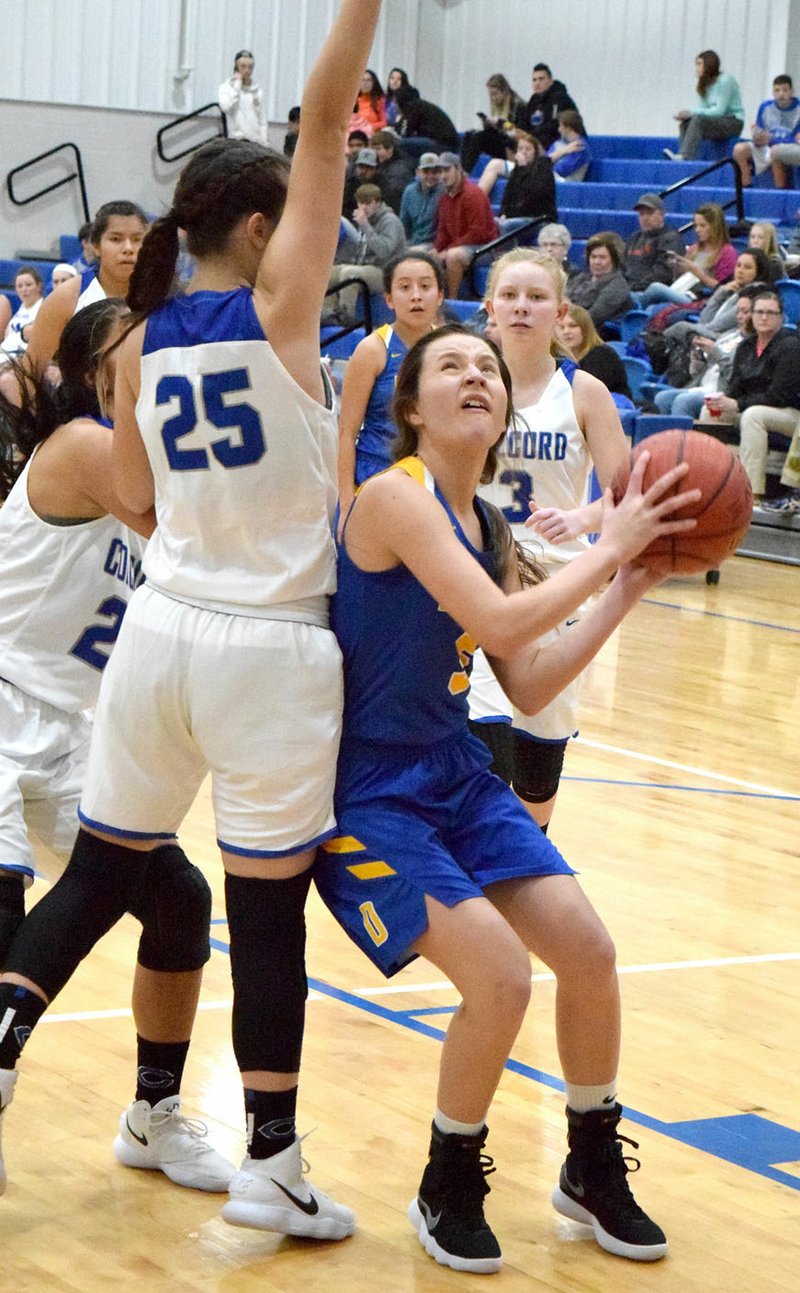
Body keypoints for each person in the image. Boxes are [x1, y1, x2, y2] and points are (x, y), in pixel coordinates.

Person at [0, 0, 383, 1239]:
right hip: (266, 648)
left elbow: (146, 510)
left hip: (158, 634)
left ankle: (5, 1040)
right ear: (265, 228)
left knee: (114, 871)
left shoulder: (147, 342)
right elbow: (326, 113)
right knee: (262, 905)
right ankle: (272, 1158)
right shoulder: (277, 316)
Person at [316, 322, 698, 1272]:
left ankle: (591, 1162)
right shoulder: (393, 499)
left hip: (455, 771)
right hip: (371, 793)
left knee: (590, 951)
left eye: (488, 367)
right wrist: (610, 549)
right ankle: (447, 1177)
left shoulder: (488, 521)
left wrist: (627, 588)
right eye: (451, 365)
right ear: (412, 407)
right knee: (500, 976)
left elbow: (524, 681)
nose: (476, 375)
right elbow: (493, 617)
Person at [0, 301, 233, 1195]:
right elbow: (213, 538)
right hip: (5, 698)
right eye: (137, 352)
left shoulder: (166, 472)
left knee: (177, 898)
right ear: (96, 373)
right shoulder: (86, 449)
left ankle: (154, 1114)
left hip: (76, 731)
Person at [474, 247, 633, 830]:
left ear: (561, 311)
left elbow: (624, 496)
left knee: (539, 762)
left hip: (558, 583)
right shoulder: (468, 381)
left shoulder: (584, 392)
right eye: (510, 296)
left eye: (536, 297)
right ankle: (479, 889)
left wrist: (582, 520)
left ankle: (527, 875)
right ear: (489, 307)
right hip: (477, 579)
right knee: (484, 746)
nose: (521, 307)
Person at [337, 250, 444, 515]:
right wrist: (346, 500)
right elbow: (346, 434)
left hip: (433, 480)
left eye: (425, 286)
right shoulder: (373, 349)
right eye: (405, 287)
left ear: (440, 296)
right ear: (389, 299)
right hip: (376, 477)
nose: (416, 295)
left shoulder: (451, 348)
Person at [24, 201, 149, 379]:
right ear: (96, 246)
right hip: (83, 404)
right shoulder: (66, 298)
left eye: (137, 239)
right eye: (116, 239)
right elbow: (30, 372)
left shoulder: (164, 294)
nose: (128, 248)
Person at [704, 288, 800, 502]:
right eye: (759, 312)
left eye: (770, 313)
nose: (764, 317)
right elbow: (735, 386)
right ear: (752, 315)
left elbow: (779, 396)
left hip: (790, 414)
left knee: (753, 416)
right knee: (710, 409)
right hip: (751, 407)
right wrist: (724, 400)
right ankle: (708, 480)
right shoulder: (746, 346)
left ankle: (750, 493)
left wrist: (737, 403)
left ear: (781, 317)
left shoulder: (790, 346)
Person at [652, 289, 756, 419]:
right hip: (702, 385)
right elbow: (707, 370)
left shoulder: (752, 344)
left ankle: (684, 439)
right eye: (738, 311)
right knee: (662, 397)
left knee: (684, 401)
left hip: (722, 391)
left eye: (745, 312)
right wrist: (697, 362)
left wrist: (715, 352)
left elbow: (734, 378)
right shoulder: (729, 335)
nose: (739, 316)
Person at [328, 182, 406, 323]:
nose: (363, 208)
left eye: (368, 203)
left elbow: (384, 251)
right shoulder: (366, 220)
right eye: (360, 203)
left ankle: (346, 319)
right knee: (329, 273)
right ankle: (327, 316)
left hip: (388, 272)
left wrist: (366, 226)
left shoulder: (390, 221)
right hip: (368, 268)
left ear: (377, 202)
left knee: (350, 274)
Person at [636, 203, 737, 306]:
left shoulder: (727, 252)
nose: (697, 230)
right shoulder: (694, 249)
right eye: (695, 226)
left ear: (715, 226)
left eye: (702, 226)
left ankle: (632, 306)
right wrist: (676, 267)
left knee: (655, 288)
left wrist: (696, 271)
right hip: (681, 290)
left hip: (701, 298)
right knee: (639, 297)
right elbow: (681, 279)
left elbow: (721, 289)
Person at [434, 153, 498, 300]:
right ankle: (435, 299)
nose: (443, 176)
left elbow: (478, 233)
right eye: (440, 172)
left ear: (458, 169)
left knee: (453, 256)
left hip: (485, 248)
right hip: (461, 245)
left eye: (447, 170)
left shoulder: (473, 195)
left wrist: (447, 250)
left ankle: (452, 300)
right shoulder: (445, 198)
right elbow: (443, 231)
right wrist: (437, 249)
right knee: (427, 256)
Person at [664, 50, 743, 162]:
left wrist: (692, 112)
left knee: (697, 119)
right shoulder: (705, 84)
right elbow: (702, 109)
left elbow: (719, 111)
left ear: (709, 64)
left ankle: (685, 156)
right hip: (717, 123)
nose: (696, 68)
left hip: (733, 122)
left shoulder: (725, 80)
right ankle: (683, 156)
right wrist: (688, 115)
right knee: (686, 123)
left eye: (699, 64)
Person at [733, 75, 800, 188]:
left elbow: (797, 139)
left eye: (785, 90)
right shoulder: (765, 107)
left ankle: (779, 194)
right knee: (739, 149)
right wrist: (757, 138)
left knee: (776, 152)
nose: (781, 94)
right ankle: (746, 187)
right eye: (777, 90)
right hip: (766, 146)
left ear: (792, 92)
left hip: (787, 147)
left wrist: (774, 140)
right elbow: (759, 131)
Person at [557, 303, 632, 400]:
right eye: (561, 328)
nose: (566, 332)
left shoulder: (603, 355)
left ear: (585, 329)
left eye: (573, 326)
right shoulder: (559, 357)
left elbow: (590, 395)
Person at [484, 133, 557, 232]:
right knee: (491, 223)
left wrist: (523, 168)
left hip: (538, 219)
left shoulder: (544, 167)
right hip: (517, 219)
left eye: (528, 149)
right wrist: (503, 214)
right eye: (521, 149)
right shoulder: (516, 171)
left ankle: (508, 248)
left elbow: (534, 195)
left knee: (507, 226)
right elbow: (507, 198)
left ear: (535, 152)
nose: (524, 152)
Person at [461, 73, 526, 173]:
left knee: (478, 138)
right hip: (503, 137)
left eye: (495, 94)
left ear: (504, 91)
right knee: (469, 135)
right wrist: (488, 125)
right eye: (491, 95)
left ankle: (466, 172)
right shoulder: (498, 104)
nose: (493, 98)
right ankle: (462, 169)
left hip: (512, 144)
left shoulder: (517, 105)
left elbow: (516, 132)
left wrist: (500, 123)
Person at [568, 232, 634, 331]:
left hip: (590, 333)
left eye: (602, 257)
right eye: (593, 257)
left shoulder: (617, 287)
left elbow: (592, 317)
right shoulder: (581, 277)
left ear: (613, 260)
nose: (597, 262)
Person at [622, 194, 685, 293]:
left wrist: (631, 289)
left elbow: (662, 275)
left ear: (662, 214)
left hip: (650, 292)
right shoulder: (634, 238)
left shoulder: (671, 239)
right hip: (628, 290)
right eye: (641, 214)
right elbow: (621, 268)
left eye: (650, 213)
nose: (645, 218)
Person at [514, 64, 580, 152]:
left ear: (550, 81)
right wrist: (519, 131)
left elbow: (554, 126)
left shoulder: (560, 97)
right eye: (534, 80)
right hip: (538, 142)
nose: (537, 83)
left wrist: (529, 135)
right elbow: (525, 121)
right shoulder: (534, 99)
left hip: (560, 143)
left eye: (541, 79)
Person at [218, 50, 268, 144]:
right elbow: (226, 108)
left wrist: (264, 141)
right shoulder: (226, 88)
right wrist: (237, 86)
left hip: (255, 141)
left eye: (250, 67)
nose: (247, 70)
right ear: (236, 67)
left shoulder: (257, 90)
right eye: (243, 66)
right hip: (236, 141)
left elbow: (262, 120)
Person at [395, 87, 460, 156]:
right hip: (446, 143)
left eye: (395, 101)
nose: (395, 105)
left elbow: (405, 133)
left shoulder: (413, 107)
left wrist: (398, 123)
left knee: (398, 144)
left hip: (443, 145)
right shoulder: (420, 106)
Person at [0, 268, 45, 366]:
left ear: (39, 286)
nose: (24, 289)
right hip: (5, 354)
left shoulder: (44, 309)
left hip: (21, 359)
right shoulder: (20, 310)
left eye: (28, 285)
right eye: (19, 286)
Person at [399, 153, 444, 248]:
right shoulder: (409, 191)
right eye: (426, 171)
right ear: (418, 172)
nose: (430, 176)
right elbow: (404, 223)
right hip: (412, 241)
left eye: (435, 172)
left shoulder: (445, 192)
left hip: (434, 244)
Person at [371, 129, 415, 214]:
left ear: (390, 149)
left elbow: (393, 194)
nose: (374, 153)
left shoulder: (400, 168)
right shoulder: (378, 165)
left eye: (378, 149)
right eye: (373, 149)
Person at [547, 110, 591, 182]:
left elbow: (562, 170)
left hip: (568, 186)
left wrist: (545, 167)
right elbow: (544, 161)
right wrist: (563, 151)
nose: (559, 130)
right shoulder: (558, 143)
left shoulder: (580, 147)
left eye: (560, 126)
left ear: (568, 128)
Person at [349, 68, 386, 139]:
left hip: (372, 135)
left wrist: (369, 126)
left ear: (374, 83)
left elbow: (384, 122)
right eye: (362, 80)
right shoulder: (353, 101)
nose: (365, 83)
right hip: (353, 134)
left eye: (368, 80)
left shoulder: (379, 100)